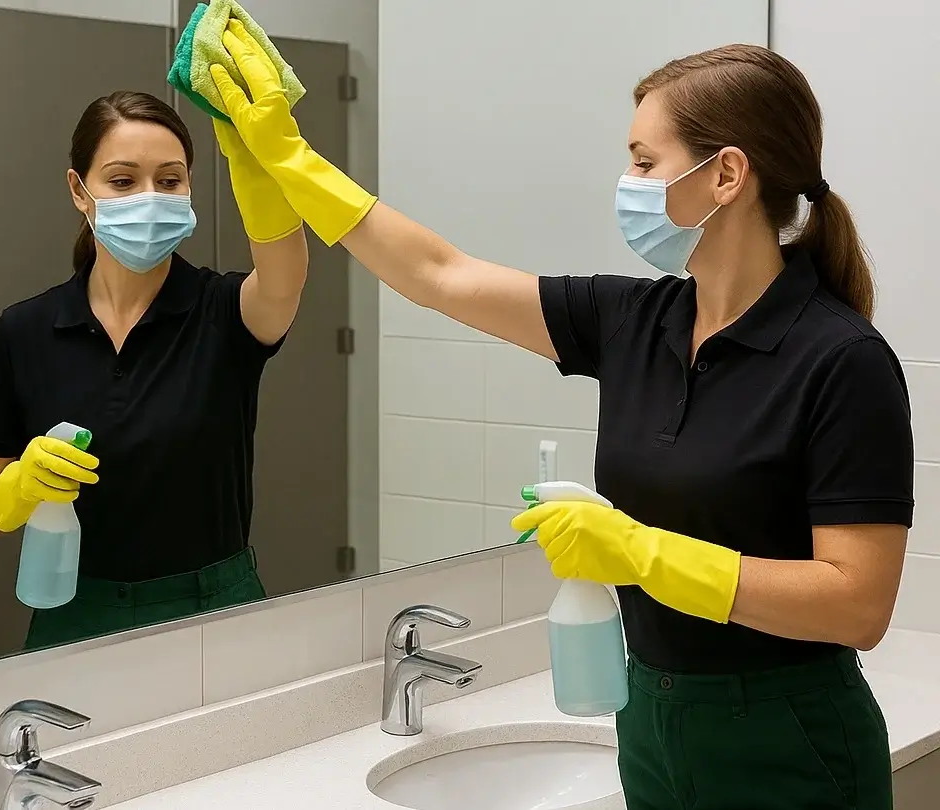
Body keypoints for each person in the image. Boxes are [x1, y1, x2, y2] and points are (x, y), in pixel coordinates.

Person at [212, 26, 911, 810]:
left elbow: (857, 604)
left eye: (646, 160)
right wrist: (288, 156)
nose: (628, 180)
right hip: (650, 717)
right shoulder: (635, 320)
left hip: (788, 739)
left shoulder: (841, 360)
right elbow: (439, 274)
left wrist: (642, 553)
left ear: (728, 175)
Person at [0, 90, 309, 650]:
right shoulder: (23, 331)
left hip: (213, 610)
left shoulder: (224, 312)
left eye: (170, 181)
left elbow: (286, 275)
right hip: (75, 612)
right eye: (123, 181)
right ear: (80, 191)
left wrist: (259, 158)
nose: (149, 197)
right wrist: (15, 490)